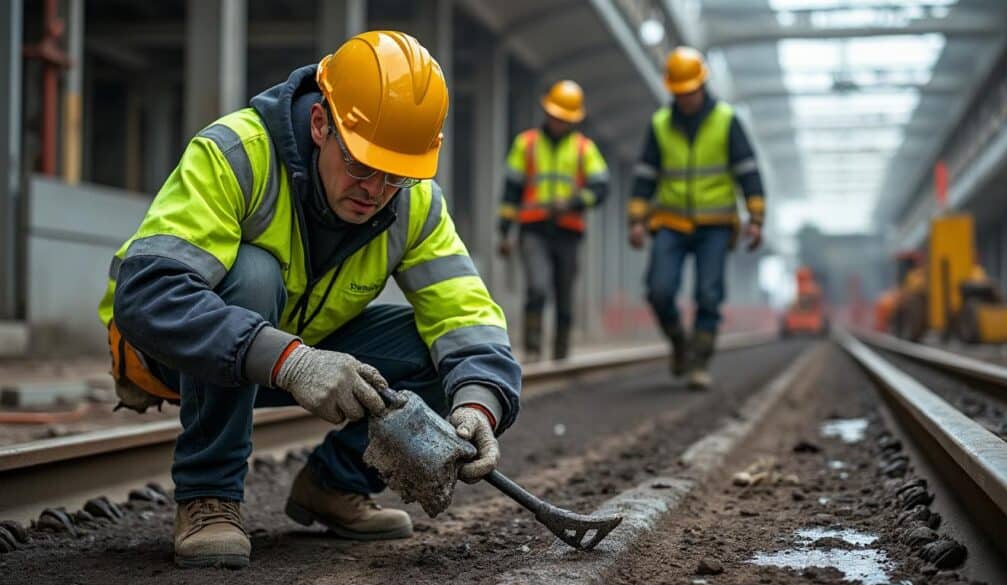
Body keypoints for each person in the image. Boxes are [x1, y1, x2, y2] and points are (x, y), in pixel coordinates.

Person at [97, 31, 520, 569]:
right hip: (172, 350)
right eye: (362, 164)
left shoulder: (413, 204)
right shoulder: (236, 154)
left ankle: (333, 485)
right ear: (321, 124)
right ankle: (209, 496)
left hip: (293, 347)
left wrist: (478, 404)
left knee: (448, 354)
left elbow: (467, 317)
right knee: (253, 274)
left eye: (395, 175)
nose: (375, 189)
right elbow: (149, 294)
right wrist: (290, 360)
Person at [628, 47, 765, 389]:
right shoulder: (660, 125)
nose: (686, 98)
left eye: (691, 90)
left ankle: (699, 362)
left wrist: (756, 217)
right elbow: (645, 175)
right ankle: (679, 343)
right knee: (659, 290)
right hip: (670, 223)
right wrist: (636, 219)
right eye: (680, 92)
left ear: (702, 85)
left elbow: (748, 170)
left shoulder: (726, 121)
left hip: (715, 225)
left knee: (708, 294)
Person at [496, 80, 609, 362]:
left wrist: (572, 202)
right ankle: (533, 349)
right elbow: (511, 191)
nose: (558, 122)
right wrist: (504, 232)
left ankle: (561, 355)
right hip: (532, 228)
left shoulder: (584, 149)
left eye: (564, 118)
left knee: (564, 295)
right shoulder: (526, 144)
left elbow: (601, 188)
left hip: (568, 232)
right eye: (555, 116)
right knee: (537, 287)